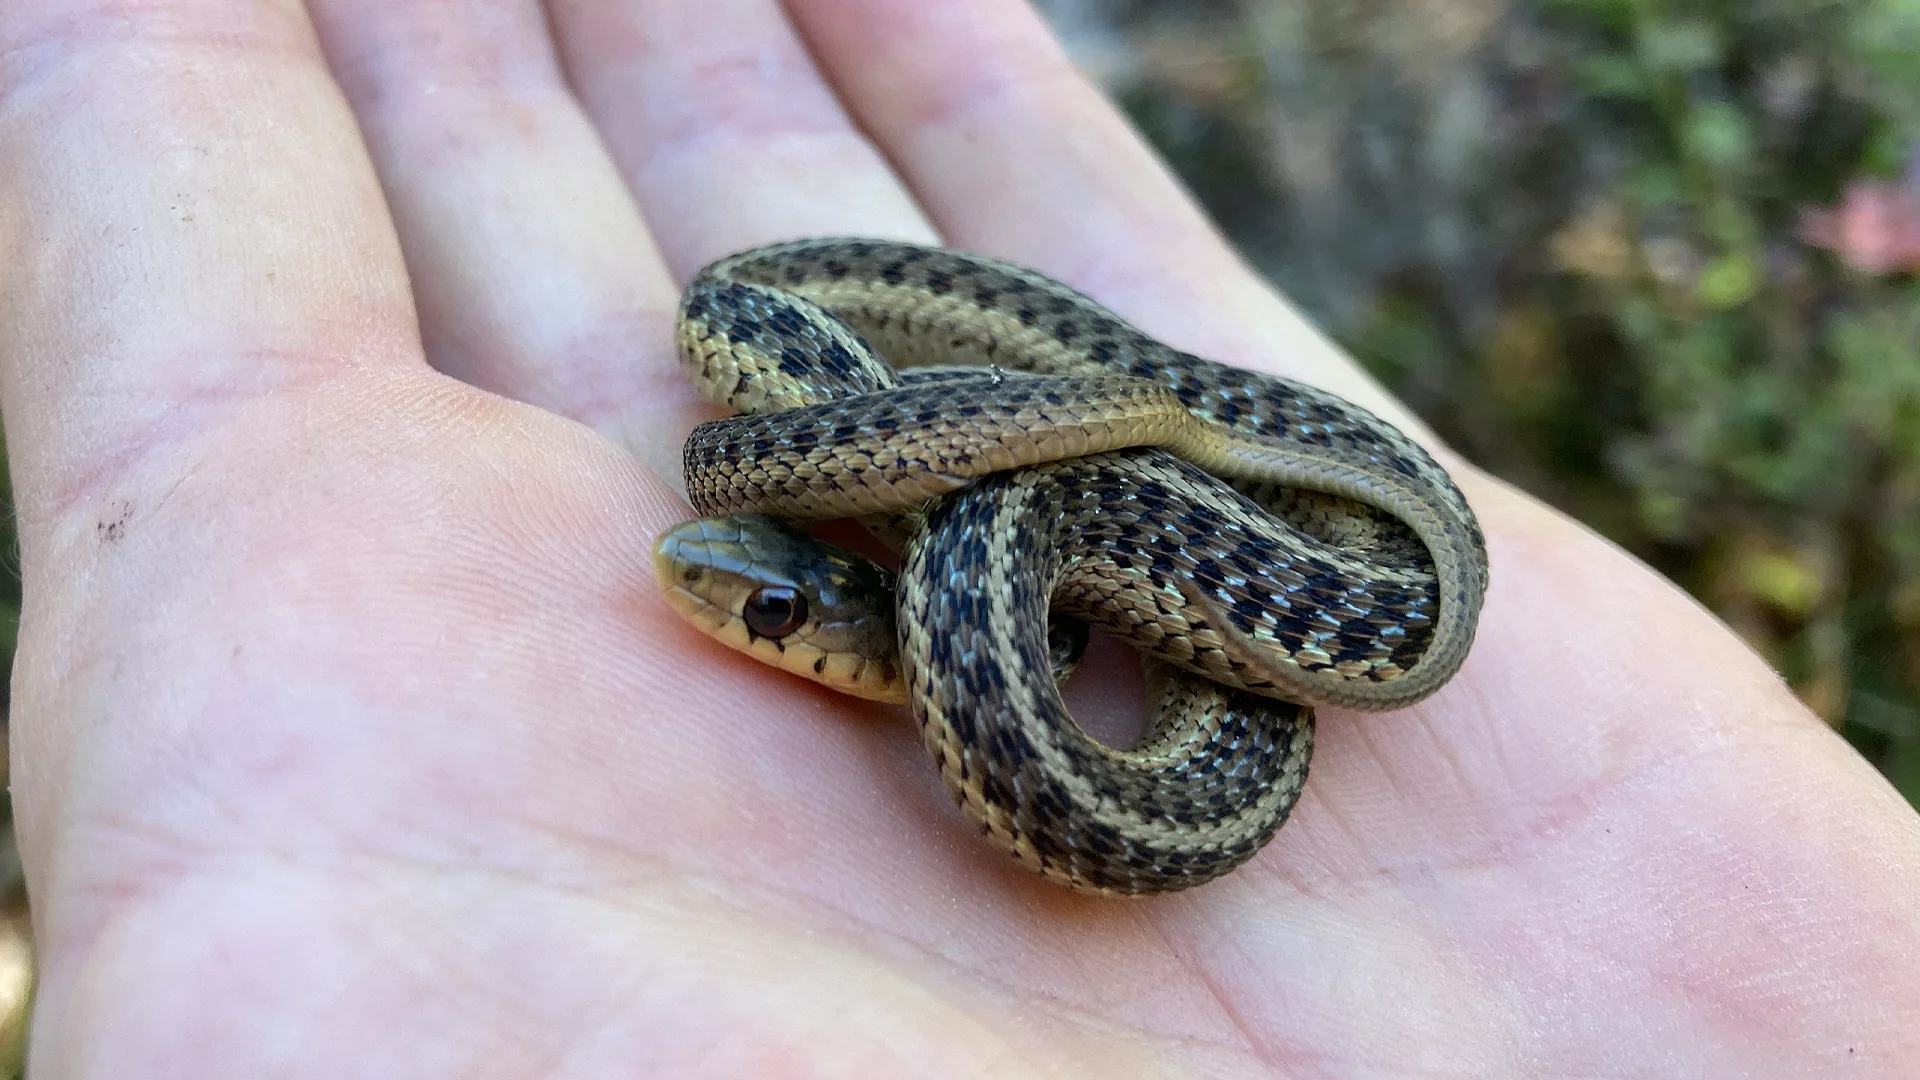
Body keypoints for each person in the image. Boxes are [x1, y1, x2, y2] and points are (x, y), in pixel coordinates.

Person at [3, 1, 1916, 1075]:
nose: (703, 595)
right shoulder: (826, 416)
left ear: (854, 634)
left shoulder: (1006, 610)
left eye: (754, 609)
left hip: (1139, 513)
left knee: (1080, 486)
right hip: (823, 321)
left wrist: (1128, 444)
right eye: (759, 591)